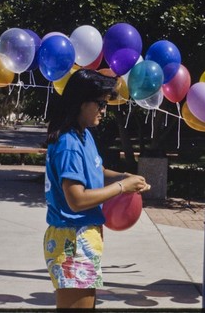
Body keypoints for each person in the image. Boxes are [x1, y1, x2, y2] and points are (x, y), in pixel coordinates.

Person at [43, 69, 151, 309]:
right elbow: (77, 200)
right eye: (100, 104)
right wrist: (122, 187)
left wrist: (126, 177)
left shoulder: (84, 136)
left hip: (81, 237)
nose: (105, 110)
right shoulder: (68, 144)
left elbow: (98, 172)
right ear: (82, 103)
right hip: (71, 238)